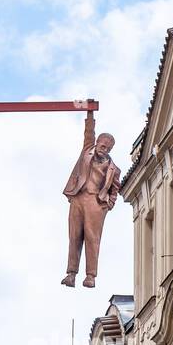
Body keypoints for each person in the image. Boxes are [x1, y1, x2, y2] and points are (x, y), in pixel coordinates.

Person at [61, 111, 121, 288]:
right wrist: (90, 112)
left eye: (108, 149)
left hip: (96, 202)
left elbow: (115, 188)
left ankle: (90, 276)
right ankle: (71, 274)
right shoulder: (87, 151)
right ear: (97, 143)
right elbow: (88, 132)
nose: (105, 150)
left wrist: (108, 204)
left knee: (92, 238)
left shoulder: (114, 169)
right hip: (79, 198)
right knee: (74, 235)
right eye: (103, 146)